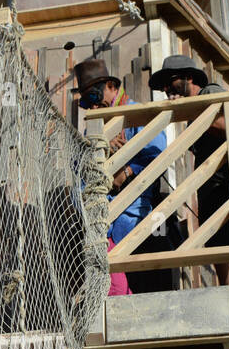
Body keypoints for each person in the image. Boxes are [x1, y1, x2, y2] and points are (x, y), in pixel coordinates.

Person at [74, 57, 174, 295]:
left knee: (145, 286)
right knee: (114, 289)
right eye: (88, 102)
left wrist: (126, 171)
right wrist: (105, 152)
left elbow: (158, 151)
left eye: (96, 97)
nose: (94, 107)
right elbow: (80, 173)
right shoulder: (95, 129)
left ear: (111, 86)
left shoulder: (136, 114)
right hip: (104, 224)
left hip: (138, 218)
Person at [149, 55, 229, 286]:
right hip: (214, 183)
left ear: (189, 78)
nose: (167, 89)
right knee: (218, 241)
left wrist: (193, 112)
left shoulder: (209, 93)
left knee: (228, 240)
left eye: (171, 82)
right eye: (165, 86)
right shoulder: (196, 107)